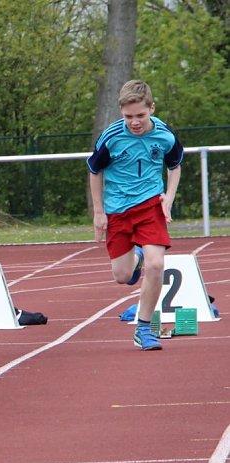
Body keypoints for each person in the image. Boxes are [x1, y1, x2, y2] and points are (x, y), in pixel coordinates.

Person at [88, 79, 183, 351]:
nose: (135, 122)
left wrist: (168, 200)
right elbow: (95, 171)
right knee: (122, 275)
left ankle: (143, 329)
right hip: (117, 210)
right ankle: (136, 257)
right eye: (129, 116)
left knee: (157, 265)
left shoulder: (165, 135)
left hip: (150, 204)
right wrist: (98, 212)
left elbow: (175, 166)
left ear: (151, 108)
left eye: (140, 115)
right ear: (121, 113)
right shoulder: (112, 137)